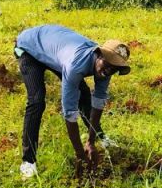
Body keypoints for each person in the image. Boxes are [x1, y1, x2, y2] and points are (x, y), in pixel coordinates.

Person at [15, 25, 132, 178]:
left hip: (54, 50)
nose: (109, 70)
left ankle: (100, 136)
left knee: (84, 94)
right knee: (36, 101)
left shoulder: (106, 68)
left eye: (114, 69)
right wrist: (80, 154)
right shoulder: (75, 65)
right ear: (98, 54)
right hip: (29, 47)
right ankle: (28, 161)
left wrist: (91, 141)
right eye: (108, 65)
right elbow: (69, 113)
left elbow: (98, 102)